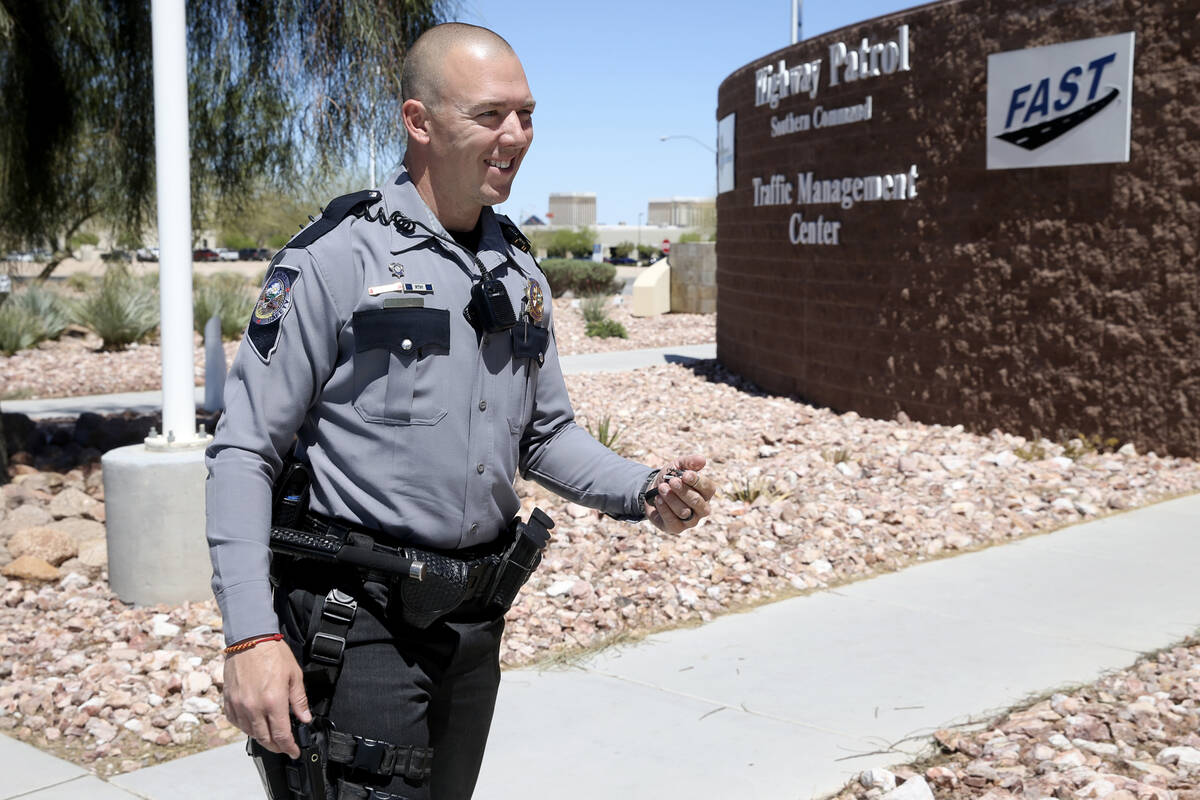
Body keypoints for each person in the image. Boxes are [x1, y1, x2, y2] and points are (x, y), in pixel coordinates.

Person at [206, 22, 716, 800]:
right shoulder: (336, 257)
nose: (516, 135)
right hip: (361, 626)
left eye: (527, 113)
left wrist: (644, 490)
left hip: (473, 629)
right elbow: (245, 451)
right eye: (489, 115)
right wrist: (250, 635)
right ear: (419, 122)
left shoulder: (518, 270)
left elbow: (545, 436)